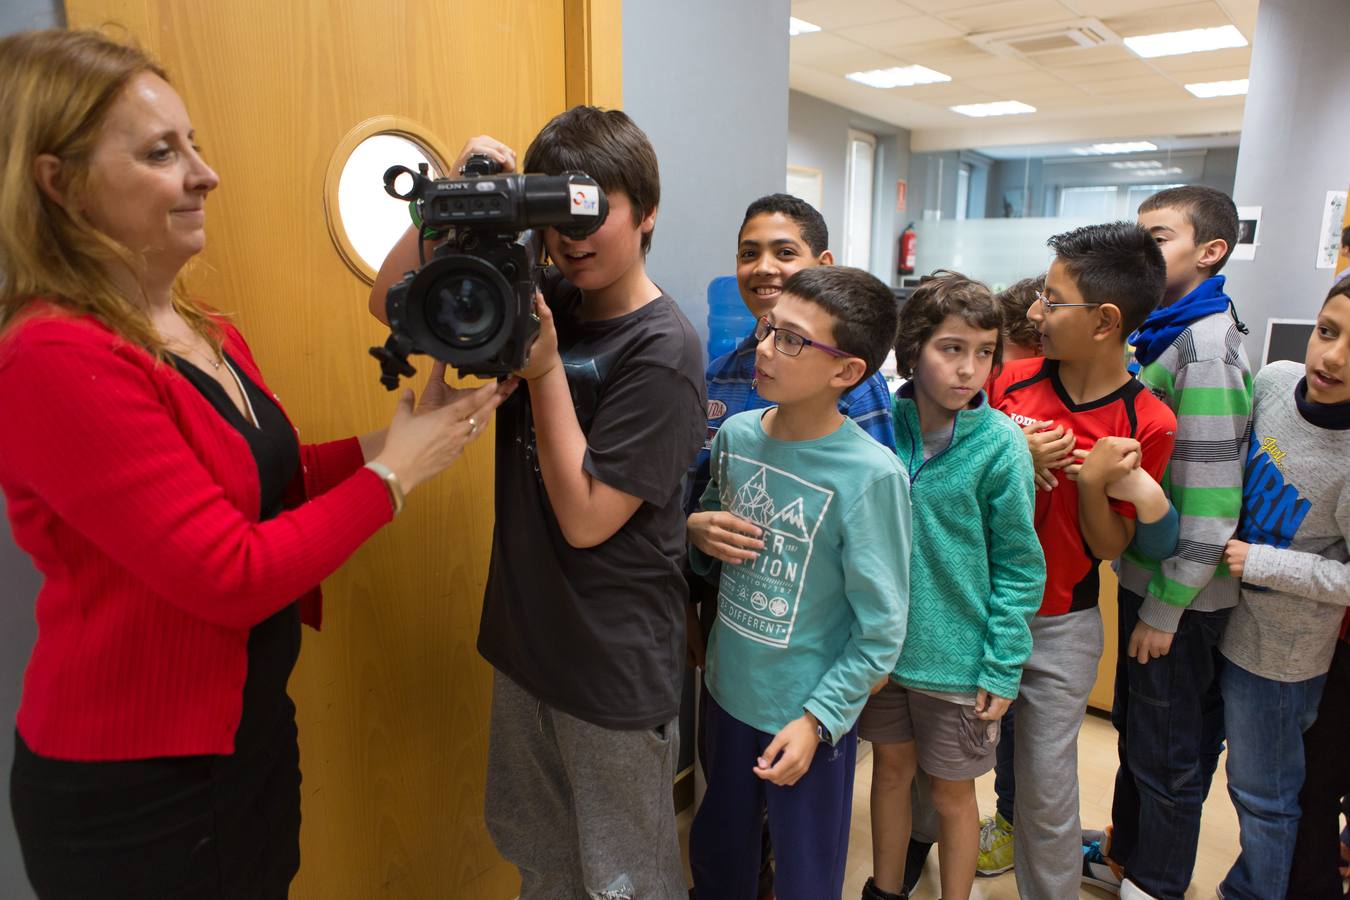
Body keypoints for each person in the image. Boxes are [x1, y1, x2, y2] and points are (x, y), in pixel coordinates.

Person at [0, 29, 513, 899]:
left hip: (245, 736)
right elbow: (228, 572)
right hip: (137, 785)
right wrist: (393, 480)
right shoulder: (52, 357)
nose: (205, 174)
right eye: (164, 153)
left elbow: (264, 481)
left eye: (194, 144)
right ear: (59, 181)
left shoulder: (201, 327)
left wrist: (399, 438)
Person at [370, 110, 705, 899]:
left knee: (625, 882)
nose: (572, 237)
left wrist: (547, 368)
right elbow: (392, 300)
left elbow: (588, 517)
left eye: (595, 212)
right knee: (540, 860)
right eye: (556, 216)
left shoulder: (665, 349)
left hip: (613, 670)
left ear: (647, 210)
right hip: (528, 647)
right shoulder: (534, 294)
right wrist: (449, 201)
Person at [685, 193, 896, 899]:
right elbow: (709, 536)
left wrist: (818, 720)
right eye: (770, 332)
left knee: (805, 877)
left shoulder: (872, 477)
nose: (766, 350)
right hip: (726, 693)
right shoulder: (739, 436)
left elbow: (881, 630)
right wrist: (696, 537)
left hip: (808, 717)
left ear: (847, 372)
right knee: (719, 861)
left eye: (793, 341)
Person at [987, 223, 1177, 900]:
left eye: (1052, 297)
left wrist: (1094, 483)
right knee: (942, 770)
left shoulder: (1147, 420)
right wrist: (1008, 448)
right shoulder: (1006, 384)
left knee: (1046, 791)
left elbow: (1110, 549)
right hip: (973, 607)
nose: (1036, 310)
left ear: (1105, 321)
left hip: (1060, 626)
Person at [1082, 186, 1252, 900]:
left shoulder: (1205, 348)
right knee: (1141, 736)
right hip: (1151, 580)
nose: (1139, 253)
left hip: (1178, 597)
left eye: (1157, 239)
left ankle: (1152, 885)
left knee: (1170, 757)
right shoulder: (1167, 335)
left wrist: (1166, 608)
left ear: (1209, 252)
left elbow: (1211, 505)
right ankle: (1126, 856)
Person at [858, 273, 1043, 900]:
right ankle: (885, 890)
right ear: (913, 351)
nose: (970, 369)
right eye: (952, 348)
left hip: (959, 662)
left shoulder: (1001, 446)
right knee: (889, 776)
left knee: (953, 795)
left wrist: (1003, 666)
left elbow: (1019, 566)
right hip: (882, 656)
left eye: (985, 352)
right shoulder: (881, 424)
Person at [1215, 281, 1350, 900]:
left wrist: (1265, 563)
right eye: (1328, 331)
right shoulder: (1272, 380)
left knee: (1263, 795)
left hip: (1282, 657)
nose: (1333, 358)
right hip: (1217, 614)